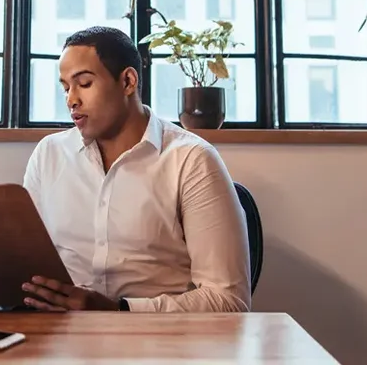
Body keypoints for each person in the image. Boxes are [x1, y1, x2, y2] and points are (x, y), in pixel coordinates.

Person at [20, 26, 251, 312]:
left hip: (159, 344)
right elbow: (26, 265)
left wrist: (120, 310)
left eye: (85, 84)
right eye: (66, 87)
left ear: (128, 81)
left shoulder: (192, 160)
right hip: (59, 337)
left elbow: (229, 301)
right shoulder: (49, 154)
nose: (71, 100)